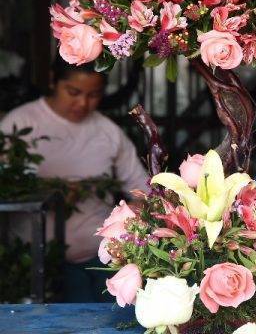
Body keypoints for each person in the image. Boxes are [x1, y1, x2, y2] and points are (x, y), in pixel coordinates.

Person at [0, 58, 149, 302]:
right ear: (53, 81)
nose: (82, 103)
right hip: (36, 265)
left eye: (94, 95)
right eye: (73, 92)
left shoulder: (108, 132)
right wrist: (48, 192)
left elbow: (143, 191)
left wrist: (134, 211)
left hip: (100, 260)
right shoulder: (19, 125)